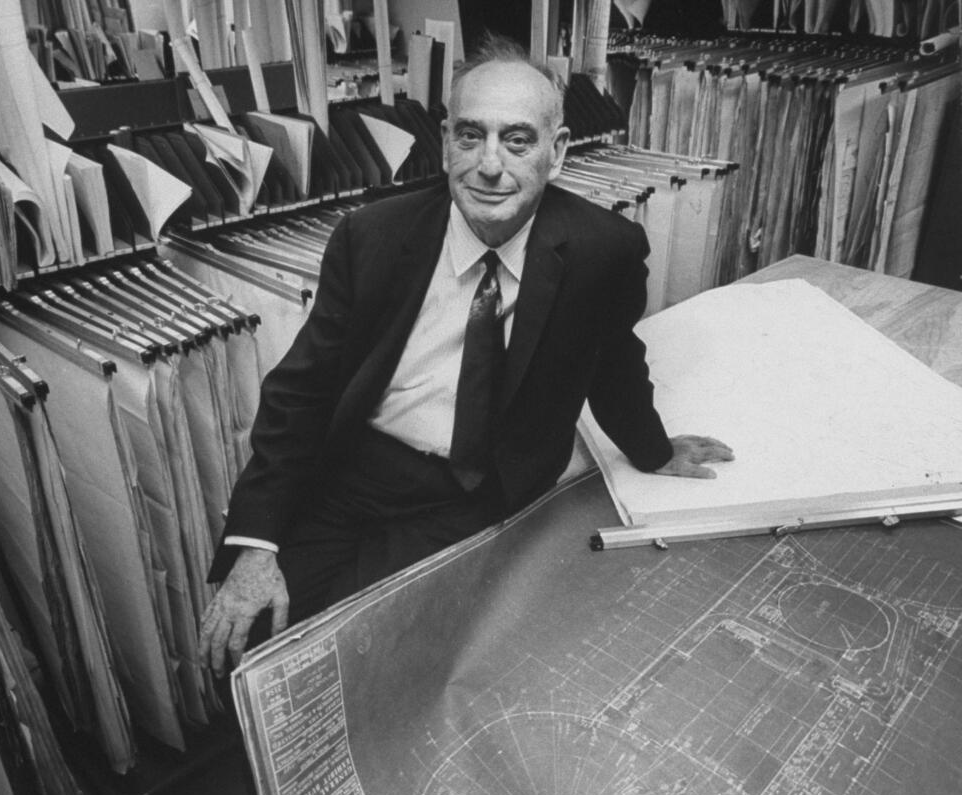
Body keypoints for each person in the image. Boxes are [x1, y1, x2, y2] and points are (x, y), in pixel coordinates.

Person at [199, 35, 733, 680]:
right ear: (445, 139)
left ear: (557, 152)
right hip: (351, 472)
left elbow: (614, 363)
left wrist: (653, 450)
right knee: (256, 639)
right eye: (471, 135)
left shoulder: (603, 252)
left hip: (474, 487)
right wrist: (256, 542)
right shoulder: (373, 236)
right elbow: (301, 392)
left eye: (517, 139)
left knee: (383, 656)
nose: (489, 165)